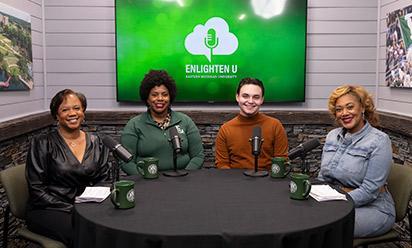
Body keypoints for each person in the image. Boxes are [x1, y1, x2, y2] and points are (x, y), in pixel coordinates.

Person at [25, 89, 110, 247]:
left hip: (87, 207)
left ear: (83, 111)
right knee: (84, 232)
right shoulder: (42, 143)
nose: (73, 113)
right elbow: (37, 190)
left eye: (77, 108)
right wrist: (72, 208)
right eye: (65, 109)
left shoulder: (97, 142)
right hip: (49, 208)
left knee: (111, 228)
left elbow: (104, 180)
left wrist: (93, 206)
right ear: (56, 115)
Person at [318, 85, 395, 238]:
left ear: (363, 108)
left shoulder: (379, 141)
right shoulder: (332, 136)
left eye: (350, 107)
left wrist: (336, 203)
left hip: (374, 208)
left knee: (325, 228)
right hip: (335, 201)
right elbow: (323, 177)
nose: (344, 113)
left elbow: (370, 191)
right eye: (339, 109)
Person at [121, 69, 204, 174]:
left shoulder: (185, 121)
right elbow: (126, 162)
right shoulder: (134, 125)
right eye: (154, 95)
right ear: (147, 98)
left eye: (164, 94)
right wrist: (145, 178)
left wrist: (185, 175)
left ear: (170, 97)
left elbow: (198, 156)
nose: (160, 98)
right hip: (148, 182)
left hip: (182, 180)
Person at [215, 77, 288, 169]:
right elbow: (222, 164)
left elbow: (282, 161)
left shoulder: (275, 126)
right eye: (245, 96)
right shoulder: (226, 129)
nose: (250, 101)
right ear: (237, 97)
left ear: (262, 100)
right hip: (236, 181)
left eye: (256, 97)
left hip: (267, 180)